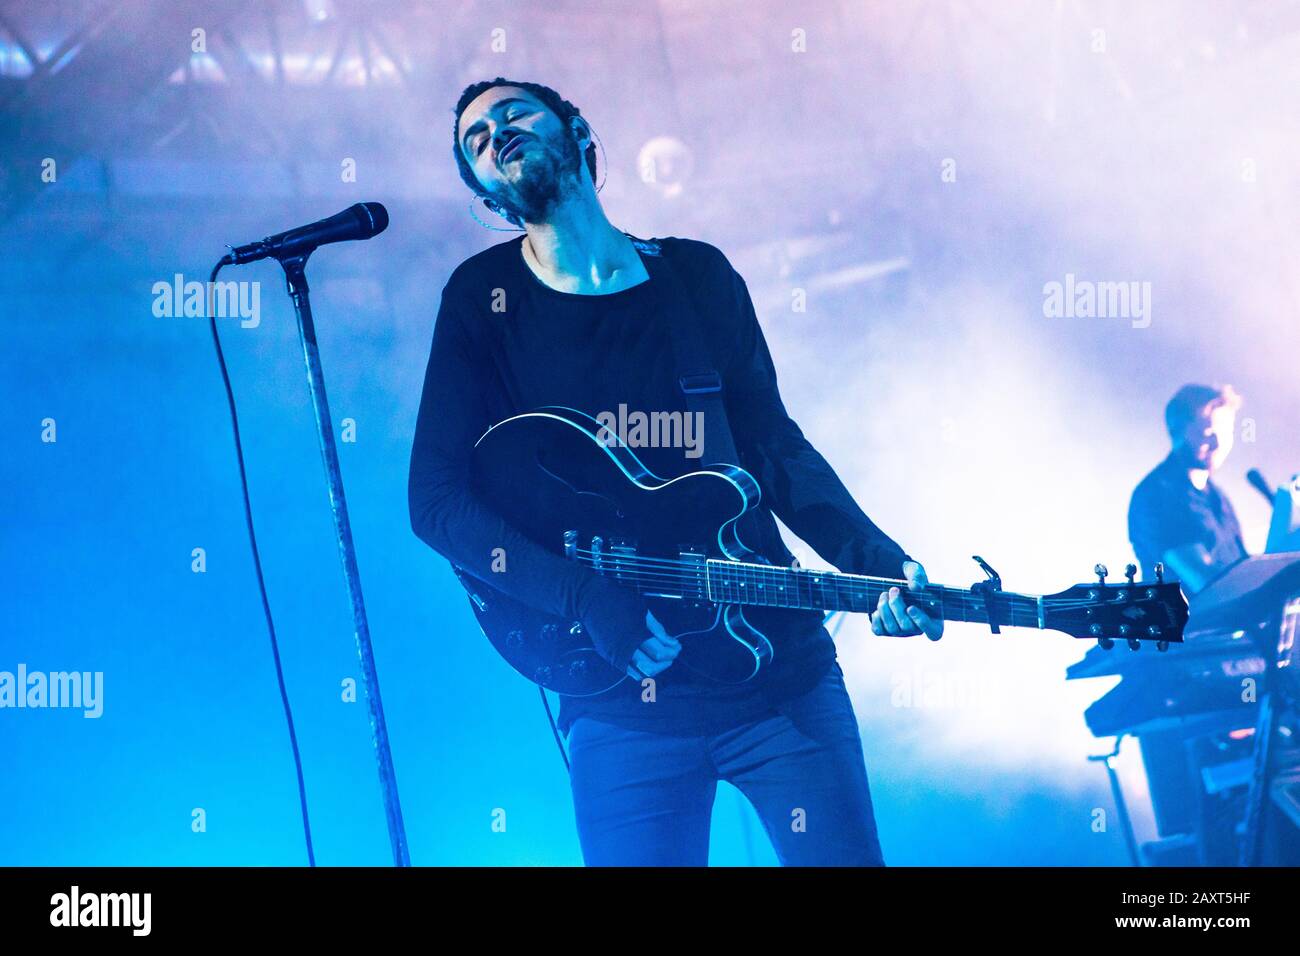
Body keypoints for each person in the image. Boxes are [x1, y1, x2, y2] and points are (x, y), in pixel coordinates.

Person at [409, 77, 942, 866]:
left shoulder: (696, 277)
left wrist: (881, 564)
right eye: (476, 142)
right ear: (488, 197)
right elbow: (436, 502)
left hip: (778, 677)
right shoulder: (482, 299)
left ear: (577, 127)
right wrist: (586, 597)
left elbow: (774, 448)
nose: (498, 135)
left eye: (514, 114)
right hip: (618, 699)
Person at [1128, 383, 1247, 593]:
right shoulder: (1156, 495)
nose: (1218, 443)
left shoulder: (1218, 497)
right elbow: (1205, 582)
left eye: (1225, 432)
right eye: (1208, 432)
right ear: (1178, 432)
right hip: (1188, 625)